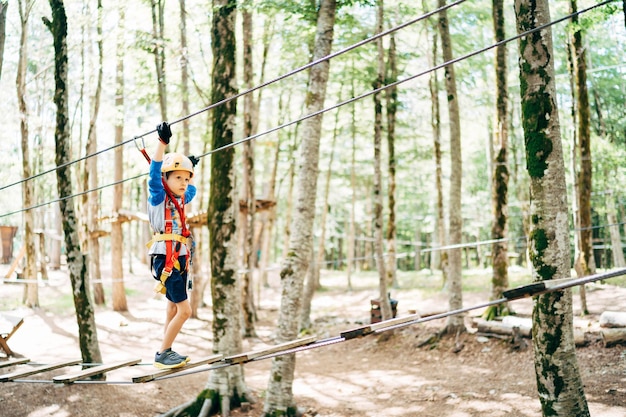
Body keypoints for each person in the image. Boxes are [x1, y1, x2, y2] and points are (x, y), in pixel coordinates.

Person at [147, 121, 196, 369]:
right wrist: (162, 145)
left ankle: (164, 349)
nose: (184, 183)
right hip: (165, 258)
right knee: (184, 311)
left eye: (186, 179)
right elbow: (154, 173)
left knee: (171, 308)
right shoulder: (159, 196)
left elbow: (193, 189)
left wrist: (188, 167)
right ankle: (163, 353)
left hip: (178, 258)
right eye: (178, 178)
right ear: (166, 179)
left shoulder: (182, 197)